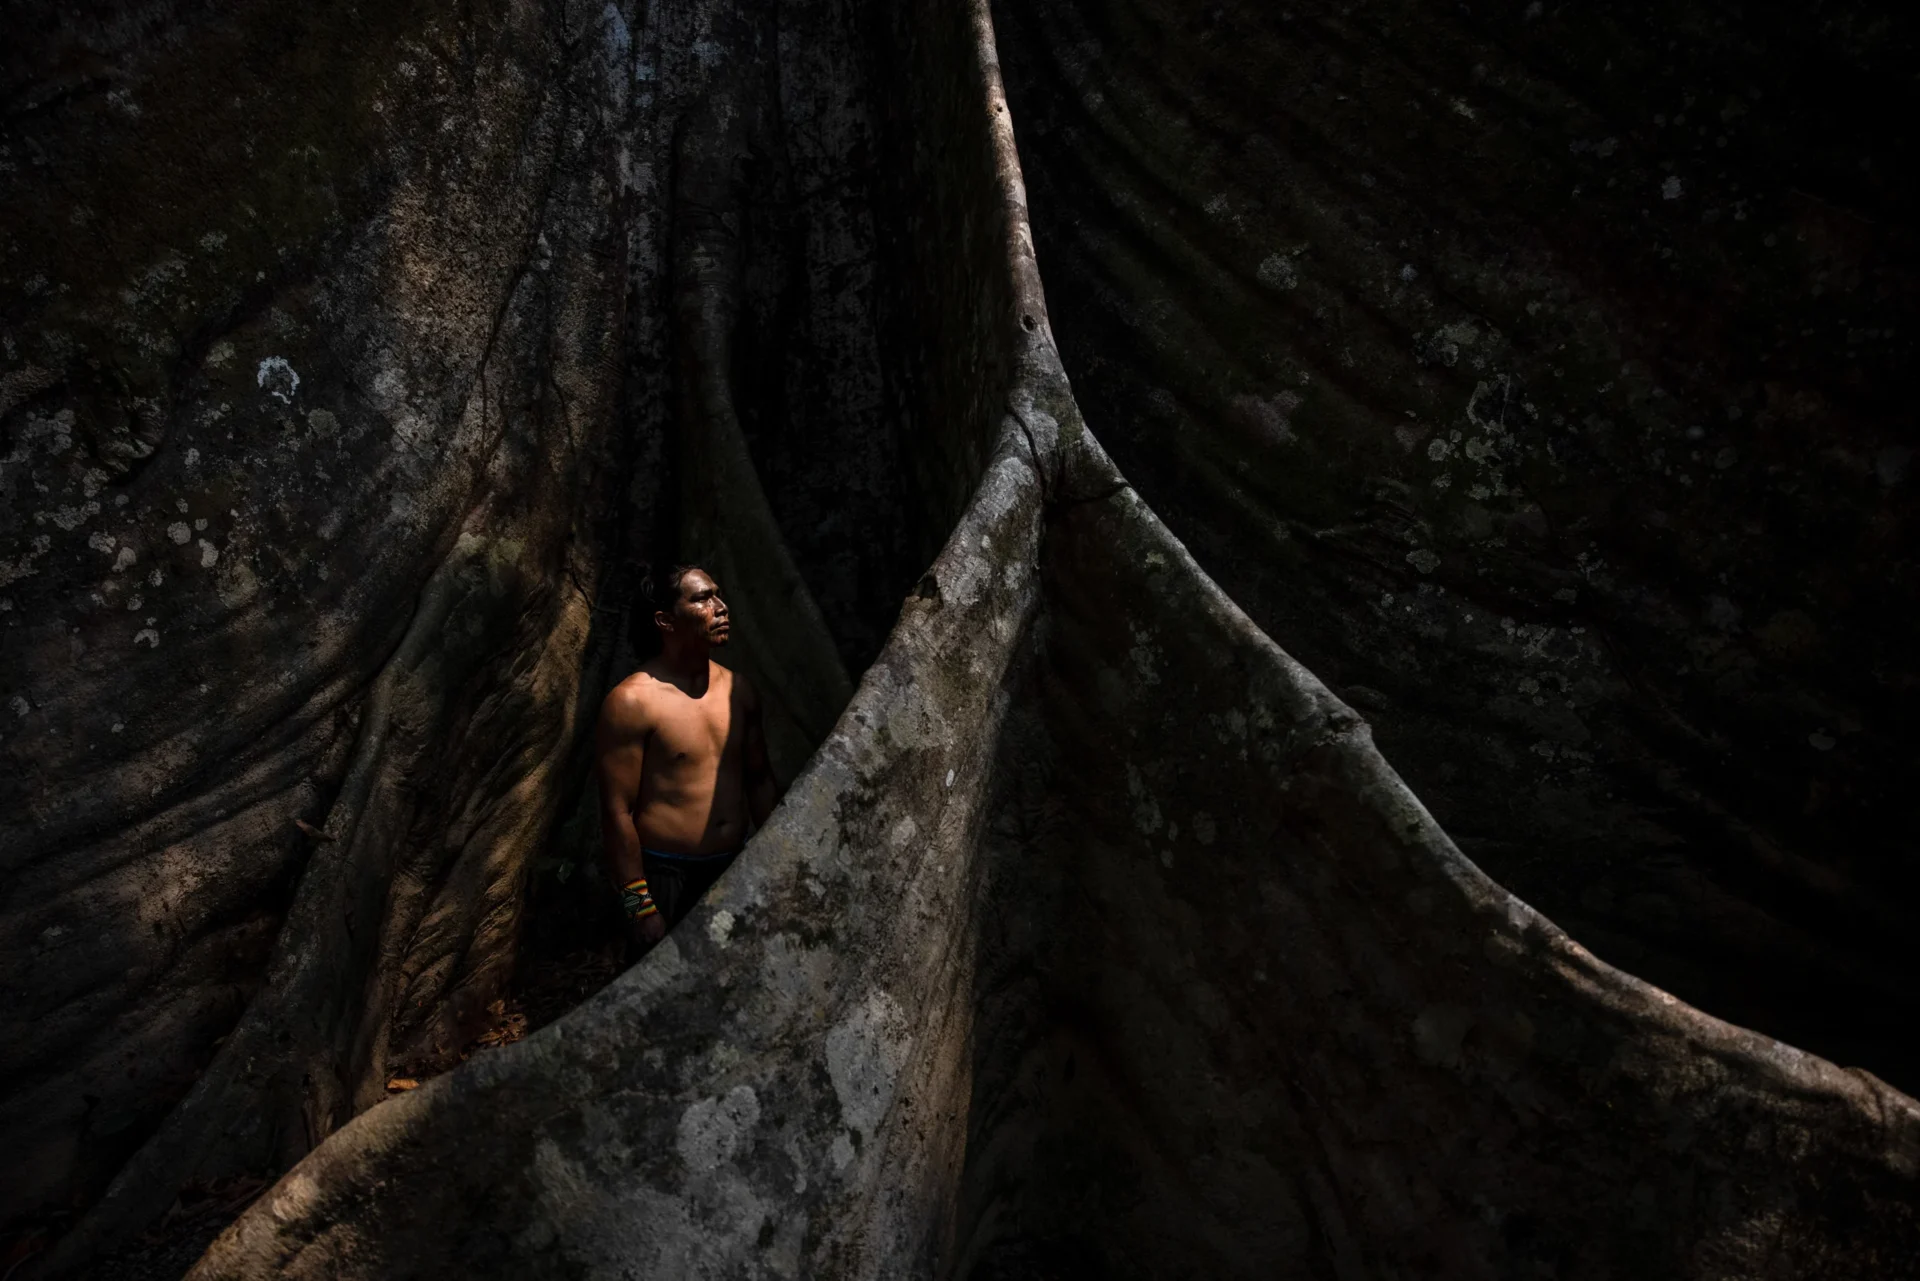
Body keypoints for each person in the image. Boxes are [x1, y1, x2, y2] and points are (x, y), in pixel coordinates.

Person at [595, 565, 777, 951]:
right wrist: (638, 906)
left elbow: (759, 779)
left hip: (733, 866)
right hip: (663, 875)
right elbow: (615, 813)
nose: (721, 607)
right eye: (702, 599)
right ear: (665, 620)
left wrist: (777, 860)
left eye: (718, 595)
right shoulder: (633, 701)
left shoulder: (739, 691)